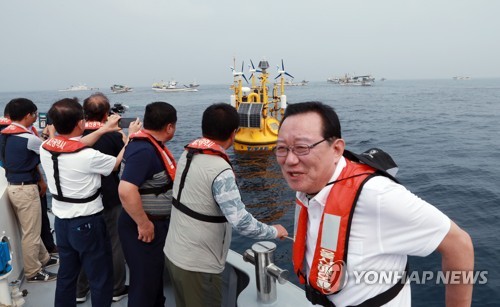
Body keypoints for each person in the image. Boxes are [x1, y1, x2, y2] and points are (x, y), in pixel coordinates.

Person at [275, 101, 474, 307]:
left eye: (302, 148)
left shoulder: (377, 195)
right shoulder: (307, 184)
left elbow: (459, 244)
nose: (290, 160)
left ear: (336, 149)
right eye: (282, 148)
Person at [164, 103, 288, 307]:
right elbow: (241, 222)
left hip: (174, 254)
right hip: (199, 265)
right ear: (234, 133)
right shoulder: (220, 170)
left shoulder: (188, 154)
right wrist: (273, 231)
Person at [39, 97, 124, 306]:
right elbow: (115, 165)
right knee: (100, 277)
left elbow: (75, 144)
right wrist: (127, 141)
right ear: (80, 123)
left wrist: (103, 130)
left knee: (67, 276)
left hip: (62, 222)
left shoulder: (46, 147)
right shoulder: (89, 156)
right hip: (88, 222)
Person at [75, 93, 141, 304]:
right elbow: (125, 161)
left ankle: (79, 290)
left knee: (85, 245)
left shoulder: (76, 136)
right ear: (107, 113)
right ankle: (116, 288)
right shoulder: (113, 137)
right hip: (109, 195)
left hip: (84, 198)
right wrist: (127, 136)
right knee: (114, 242)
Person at [118, 101, 177, 307]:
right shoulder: (144, 151)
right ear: (169, 127)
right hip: (143, 227)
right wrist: (143, 223)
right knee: (143, 284)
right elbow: (125, 190)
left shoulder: (149, 145)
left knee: (152, 280)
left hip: (153, 224)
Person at [0, 98, 59, 283]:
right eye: (34, 114)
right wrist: (51, 134)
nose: (35, 118)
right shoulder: (29, 138)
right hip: (26, 190)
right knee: (31, 233)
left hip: (14, 187)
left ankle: (44, 259)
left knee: (30, 228)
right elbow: (53, 151)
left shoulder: (5, 135)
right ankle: (33, 272)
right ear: (28, 116)